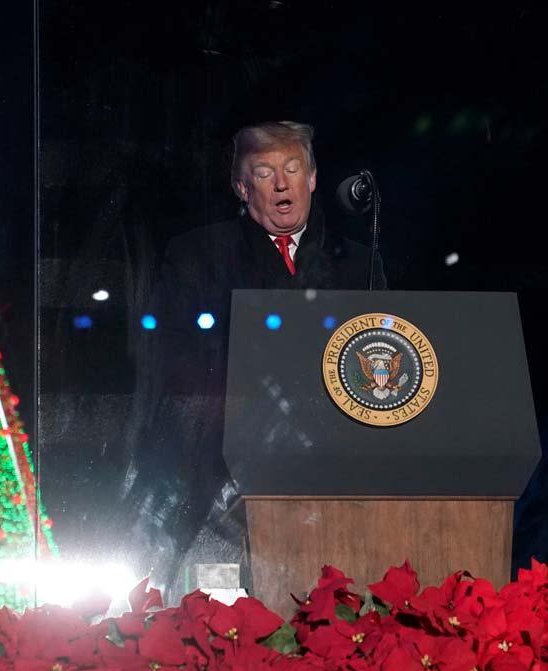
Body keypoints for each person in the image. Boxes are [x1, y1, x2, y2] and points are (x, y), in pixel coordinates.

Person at [129, 121, 384, 597]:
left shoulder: (357, 264)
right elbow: (171, 356)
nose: (282, 184)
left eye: (293, 169)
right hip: (218, 475)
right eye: (265, 173)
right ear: (242, 188)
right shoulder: (198, 254)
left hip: (332, 476)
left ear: (312, 178)